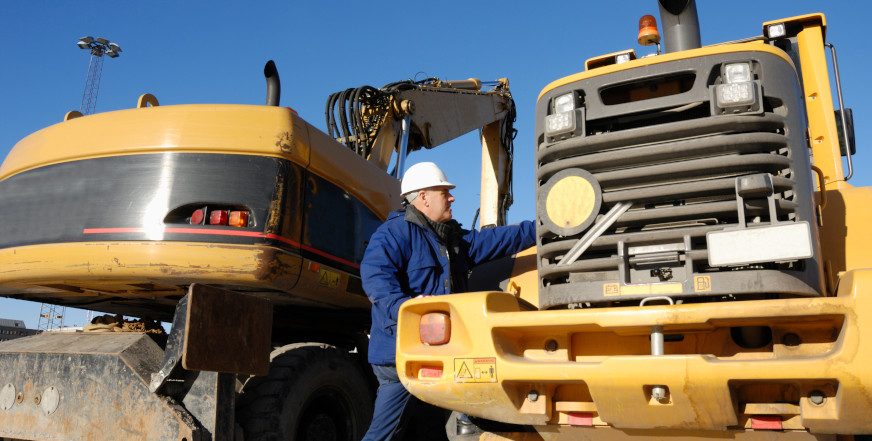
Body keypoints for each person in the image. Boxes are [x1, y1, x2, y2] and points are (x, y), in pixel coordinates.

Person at [360, 162, 536, 441]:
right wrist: (407, 309)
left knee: (430, 429)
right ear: (423, 197)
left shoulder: (450, 239)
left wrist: (541, 227)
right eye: (445, 191)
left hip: (435, 354)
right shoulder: (393, 234)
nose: (452, 197)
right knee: (386, 433)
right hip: (401, 357)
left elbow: (500, 239)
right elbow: (375, 279)